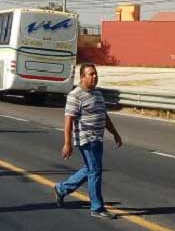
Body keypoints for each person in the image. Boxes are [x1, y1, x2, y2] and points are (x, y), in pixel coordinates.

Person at [53, 63, 123, 220]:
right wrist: (68, 142)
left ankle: (61, 189)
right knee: (95, 170)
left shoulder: (97, 93)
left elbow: (103, 116)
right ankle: (97, 207)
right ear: (82, 77)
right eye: (91, 74)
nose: (95, 77)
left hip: (98, 138)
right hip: (86, 138)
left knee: (89, 169)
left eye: (96, 74)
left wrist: (115, 133)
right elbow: (68, 120)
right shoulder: (75, 95)